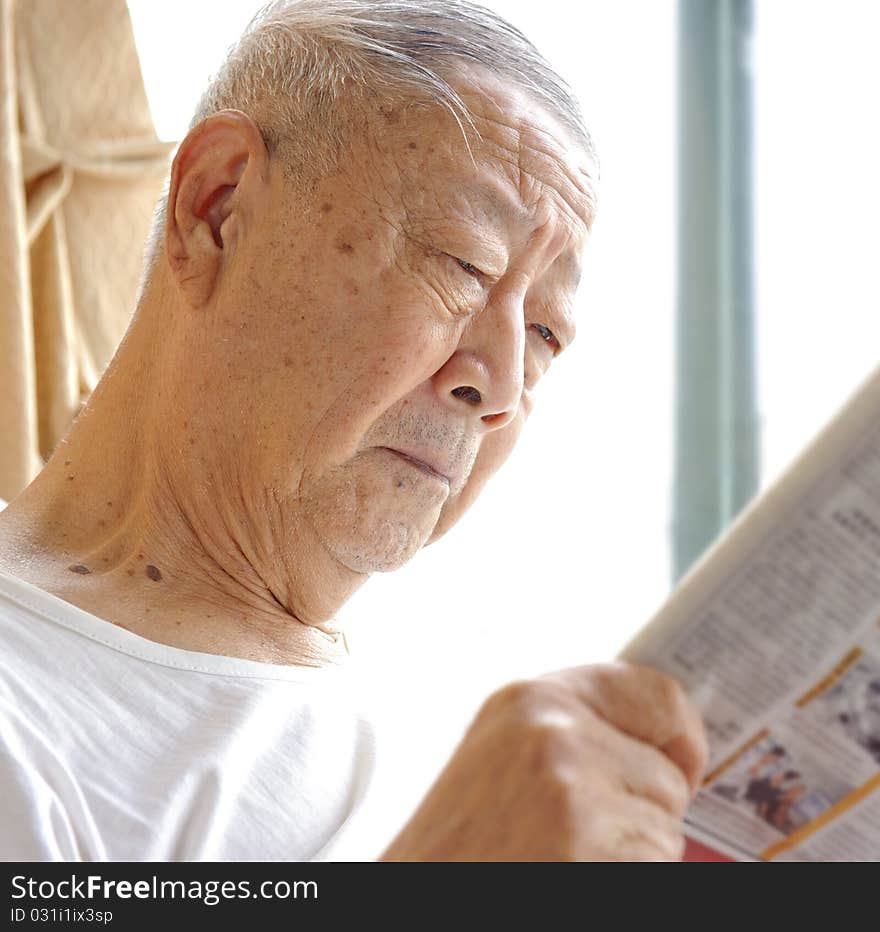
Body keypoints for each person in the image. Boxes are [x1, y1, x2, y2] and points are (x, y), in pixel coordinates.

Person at [0, 0, 707, 861]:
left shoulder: (488, 749)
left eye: (545, 335)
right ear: (217, 210)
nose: (499, 383)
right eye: (464, 265)